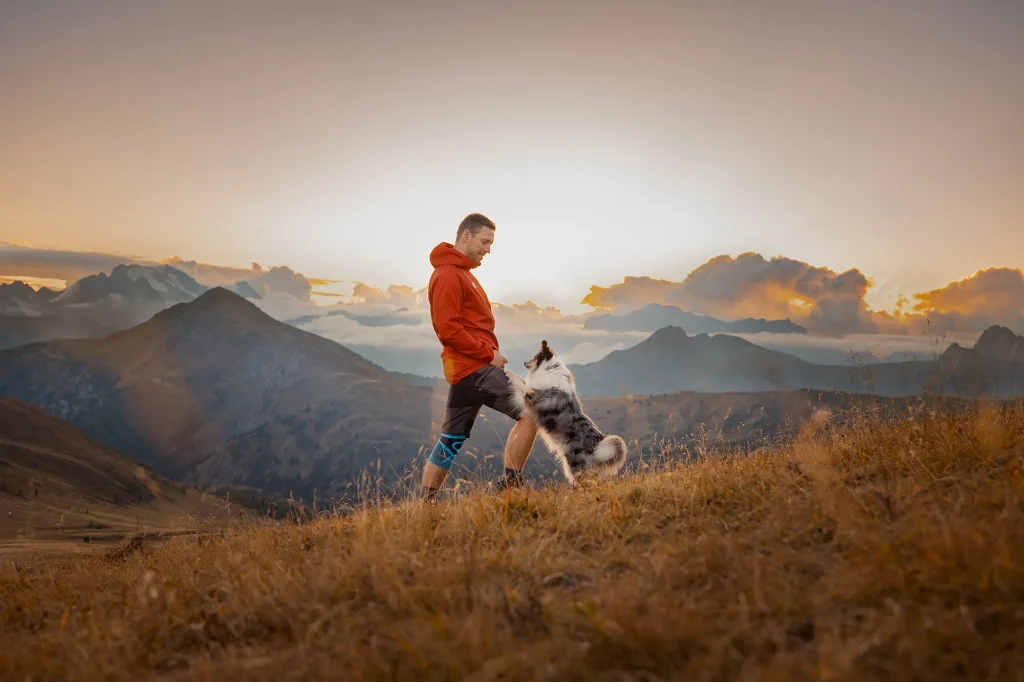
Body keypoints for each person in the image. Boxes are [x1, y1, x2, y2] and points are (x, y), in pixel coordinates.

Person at [421, 212, 539, 501]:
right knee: (534, 410)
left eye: (491, 244)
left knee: (451, 439)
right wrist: (489, 354)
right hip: (474, 368)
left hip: (465, 371)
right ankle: (510, 486)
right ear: (466, 236)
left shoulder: (462, 273)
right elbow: (448, 330)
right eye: (485, 241)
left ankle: (424, 504)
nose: (488, 249)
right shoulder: (448, 275)